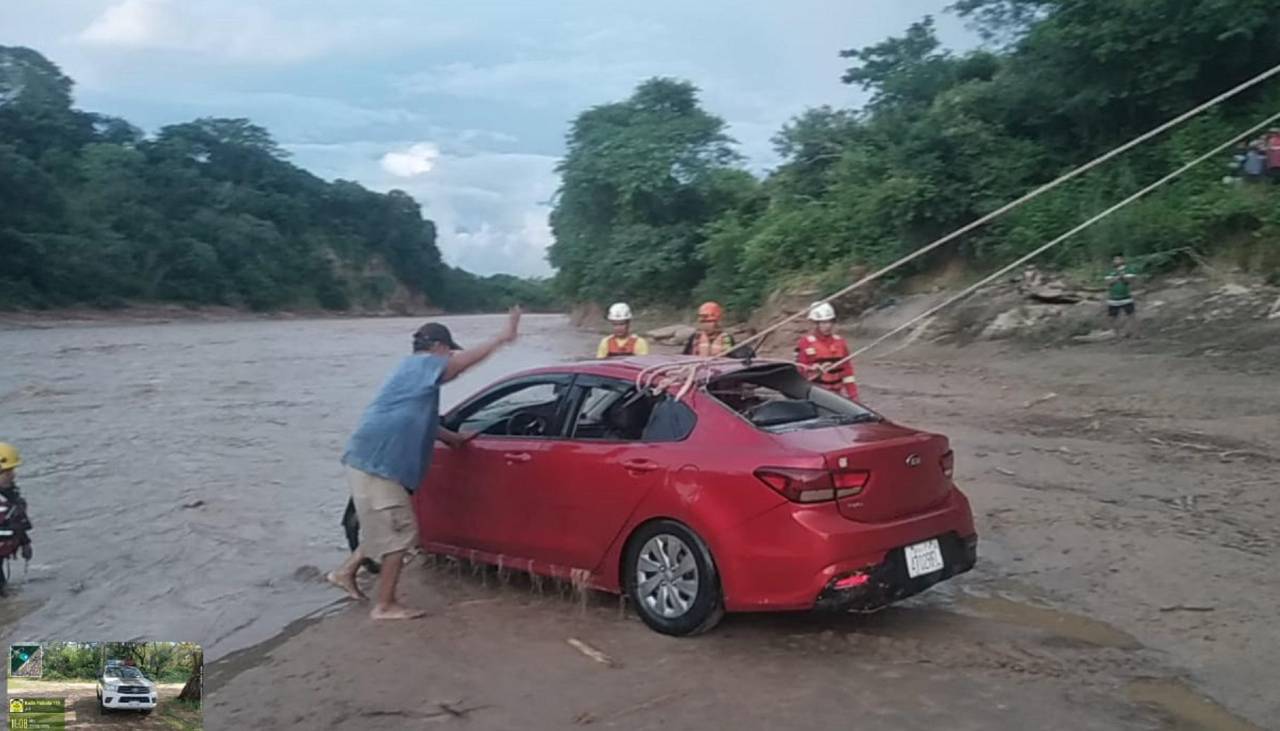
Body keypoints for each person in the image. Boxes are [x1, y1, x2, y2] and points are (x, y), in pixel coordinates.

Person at [326, 308, 521, 620]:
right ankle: (385, 605)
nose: (449, 358)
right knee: (402, 533)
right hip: (379, 464)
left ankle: (345, 572)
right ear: (439, 348)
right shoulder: (421, 364)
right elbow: (458, 366)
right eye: (448, 351)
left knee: (386, 527)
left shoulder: (413, 378)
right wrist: (502, 338)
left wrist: (454, 440)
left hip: (369, 460)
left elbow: (423, 421)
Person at [795, 302, 859, 400]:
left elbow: (847, 371)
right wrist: (811, 369)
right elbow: (799, 370)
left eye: (830, 322)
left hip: (837, 394)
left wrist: (853, 395)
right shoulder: (805, 343)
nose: (828, 326)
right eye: (824, 322)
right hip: (816, 394)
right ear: (815, 323)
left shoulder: (840, 342)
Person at [0, 443, 33, 597]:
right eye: (7, 472)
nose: (12, 475)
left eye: (12, 471)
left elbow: (16, 522)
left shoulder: (10, 496)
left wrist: (25, 542)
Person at [1105, 254, 1138, 336]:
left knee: (1131, 316)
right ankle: (1117, 335)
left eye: (1118, 259)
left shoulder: (1129, 269)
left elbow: (1129, 281)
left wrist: (1120, 277)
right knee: (1112, 318)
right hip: (1113, 298)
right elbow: (1108, 283)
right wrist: (1119, 277)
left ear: (1123, 260)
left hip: (1126, 297)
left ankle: (1134, 333)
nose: (1116, 261)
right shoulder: (1109, 271)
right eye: (1114, 260)